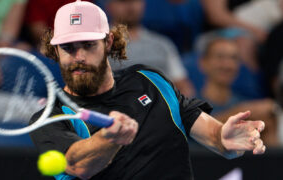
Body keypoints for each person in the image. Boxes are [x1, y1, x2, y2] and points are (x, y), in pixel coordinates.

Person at [30, 1, 266, 179]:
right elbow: (77, 165)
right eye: (68, 48)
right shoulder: (50, 117)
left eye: (89, 45)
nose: (79, 57)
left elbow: (214, 136)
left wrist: (224, 138)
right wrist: (110, 138)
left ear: (108, 42)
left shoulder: (149, 81)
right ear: (56, 51)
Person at [198, 36, 278, 146]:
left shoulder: (246, 105)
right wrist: (241, 113)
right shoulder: (190, 106)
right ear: (203, 63)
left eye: (233, 58)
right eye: (220, 57)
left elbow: (270, 155)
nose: (227, 65)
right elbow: (196, 129)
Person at [105, 0, 195, 97]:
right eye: (123, 1)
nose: (130, 6)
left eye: (135, 1)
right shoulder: (101, 45)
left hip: (162, 106)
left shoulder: (163, 44)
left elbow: (182, 85)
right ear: (109, 6)